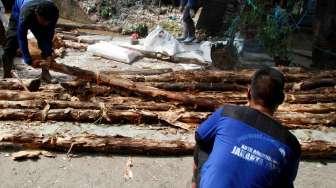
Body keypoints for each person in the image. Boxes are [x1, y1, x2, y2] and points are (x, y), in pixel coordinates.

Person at [192, 67, 301, 188]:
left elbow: (200, 137)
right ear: (281, 100)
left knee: (203, 141)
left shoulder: (228, 113)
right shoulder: (291, 144)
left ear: (248, 92)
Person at [2, 0, 59, 82]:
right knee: (11, 41)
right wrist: (28, 60)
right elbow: (21, 37)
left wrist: (48, 55)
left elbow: (49, 36)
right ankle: (7, 75)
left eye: (48, 21)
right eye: (43, 21)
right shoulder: (26, 13)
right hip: (19, 10)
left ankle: (45, 73)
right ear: (37, 14)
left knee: (44, 41)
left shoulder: (53, 13)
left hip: (37, 13)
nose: (45, 24)